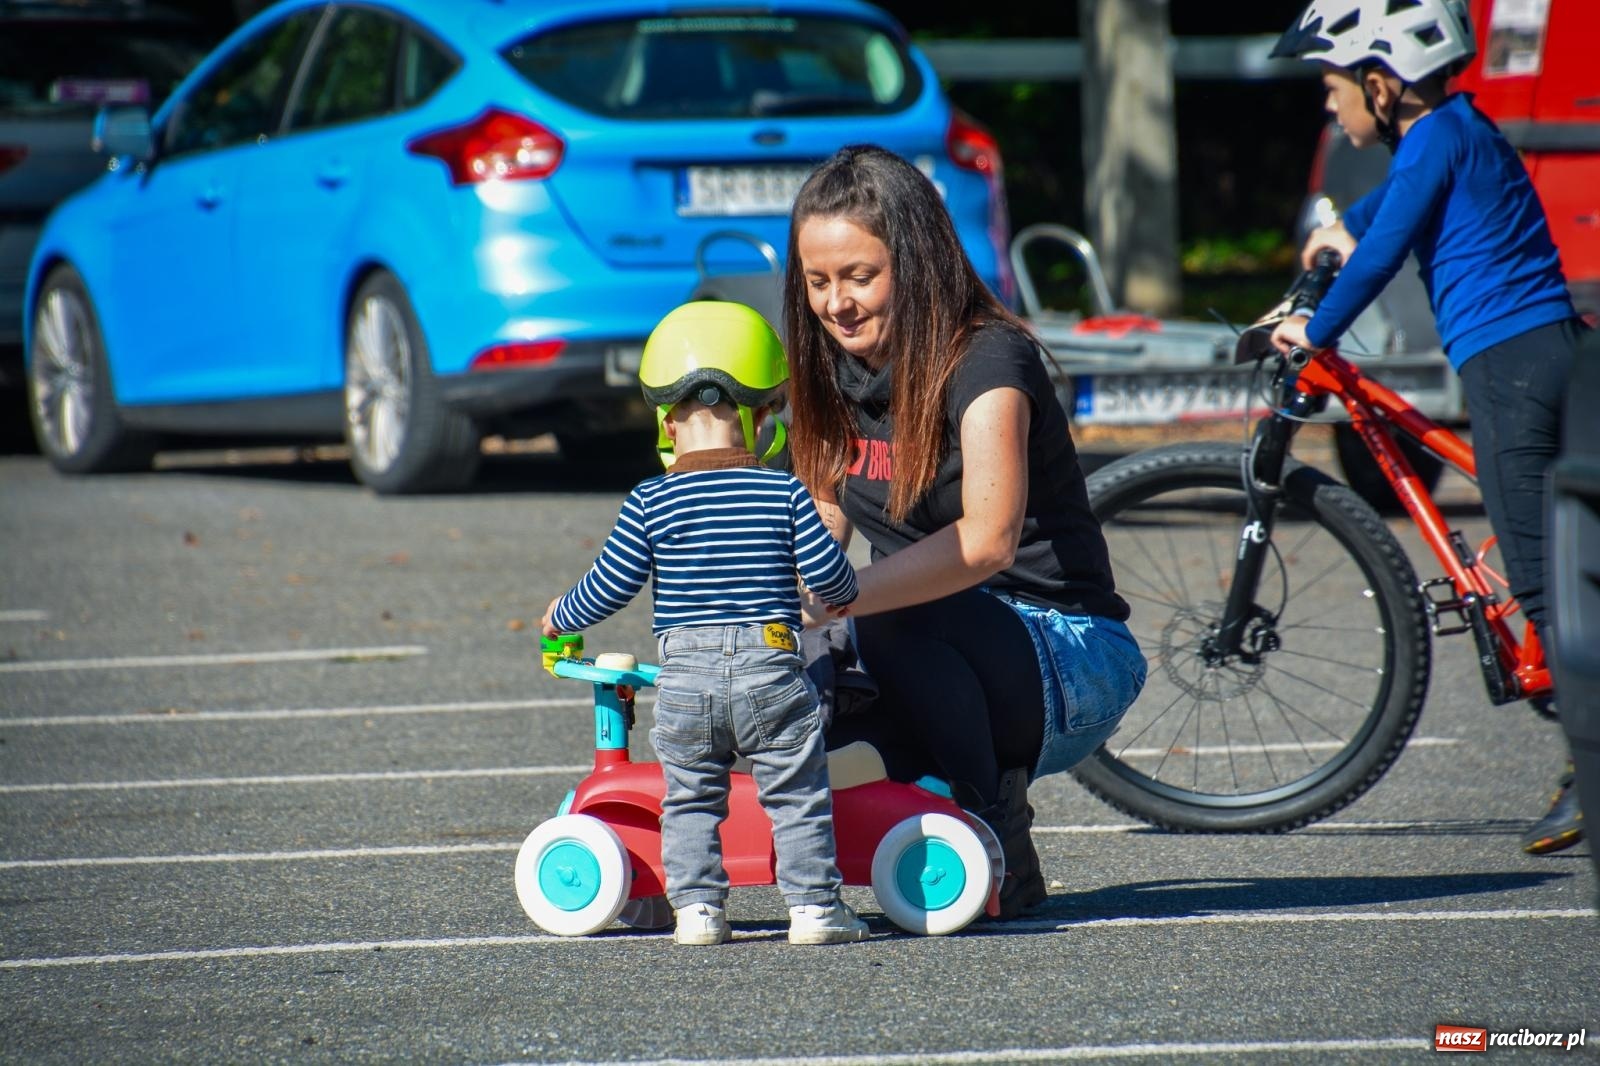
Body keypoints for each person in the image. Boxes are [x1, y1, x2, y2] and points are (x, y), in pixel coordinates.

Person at [781, 145, 1147, 919]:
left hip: (1070, 658)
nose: (836, 303)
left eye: (859, 277)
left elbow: (987, 544)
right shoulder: (831, 368)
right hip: (926, 648)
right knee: (816, 713)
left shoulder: (986, 360)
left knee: (892, 608)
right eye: (818, 282)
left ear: (913, 262)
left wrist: (838, 602)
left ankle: (994, 835)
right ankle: (930, 832)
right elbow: (822, 524)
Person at [1269, 0, 1588, 854]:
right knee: (1550, 558)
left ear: (1382, 82)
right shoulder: (1448, 134)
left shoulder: (1441, 136)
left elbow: (1382, 252)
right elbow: (1388, 212)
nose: (1329, 105)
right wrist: (1341, 227)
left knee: (1539, 577)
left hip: (1515, 366)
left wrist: (1315, 328)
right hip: (1534, 356)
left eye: (1335, 85)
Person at [541, 300, 870, 946]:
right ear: (761, 418)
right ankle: (813, 909)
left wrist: (560, 616)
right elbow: (836, 582)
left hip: (685, 681)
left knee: (688, 796)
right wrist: (836, 597)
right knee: (797, 792)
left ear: (666, 420)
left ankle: (696, 909)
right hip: (771, 670)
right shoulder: (784, 494)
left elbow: (609, 587)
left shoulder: (649, 500)